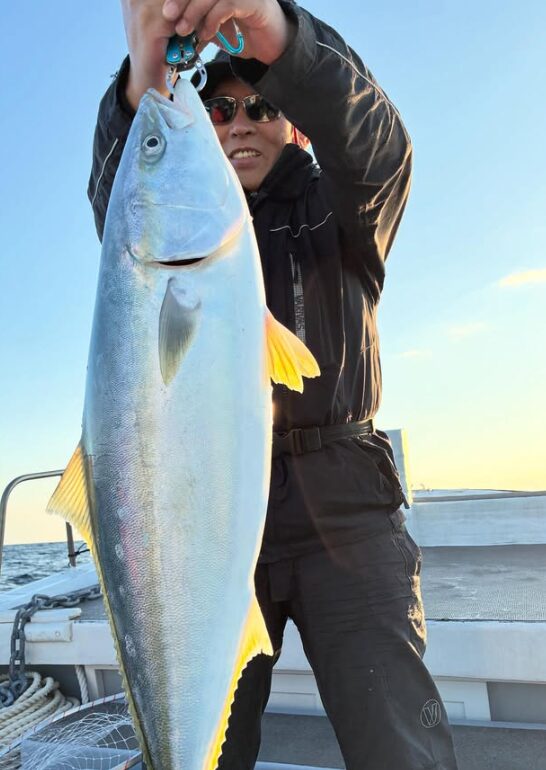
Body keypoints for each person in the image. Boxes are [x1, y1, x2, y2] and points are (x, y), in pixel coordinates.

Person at [88, 0, 459, 767]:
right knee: (205, 743)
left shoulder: (342, 209)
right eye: (218, 108)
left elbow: (377, 146)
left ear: (295, 121)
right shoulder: (157, 232)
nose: (237, 122)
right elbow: (123, 195)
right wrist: (140, 81)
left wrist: (278, 34)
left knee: (400, 746)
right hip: (213, 513)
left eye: (263, 104)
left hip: (346, 509)